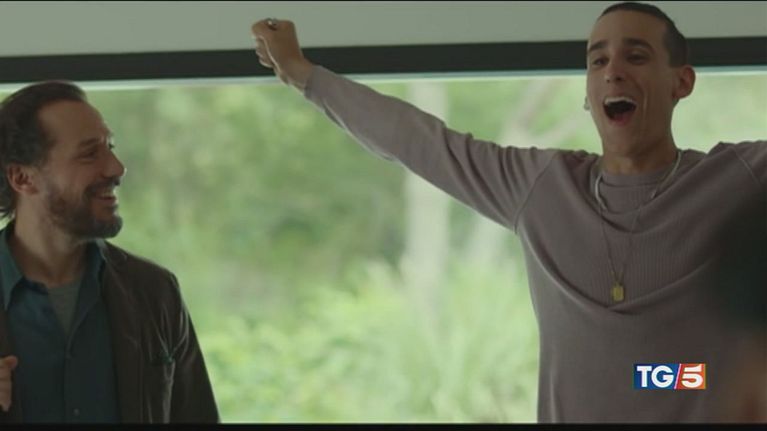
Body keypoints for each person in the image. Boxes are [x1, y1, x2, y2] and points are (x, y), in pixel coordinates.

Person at [251, 1, 766, 423]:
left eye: (636, 56)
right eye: (597, 61)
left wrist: (685, 377)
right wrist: (302, 74)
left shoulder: (737, 180)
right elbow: (416, 140)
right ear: (588, 94)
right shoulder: (543, 189)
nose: (613, 72)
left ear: (681, 82)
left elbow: (661, 375)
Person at [0, 81, 219, 423]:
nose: (116, 167)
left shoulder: (154, 292)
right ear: (22, 178)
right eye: (90, 154)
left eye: (110, 147)